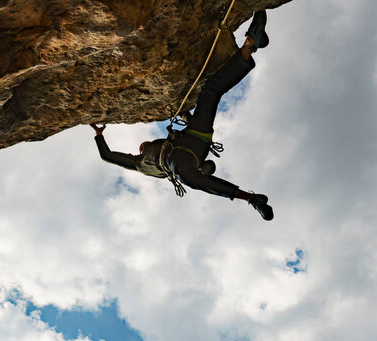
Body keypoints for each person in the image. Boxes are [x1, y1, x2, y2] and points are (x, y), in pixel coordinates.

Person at [90, 11, 273, 221]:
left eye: (143, 145)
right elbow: (108, 156)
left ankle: (250, 44)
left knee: (210, 91)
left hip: (193, 135)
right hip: (190, 154)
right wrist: (99, 135)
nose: (142, 146)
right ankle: (251, 199)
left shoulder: (166, 142)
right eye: (143, 147)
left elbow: (185, 124)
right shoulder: (140, 165)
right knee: (187, 177)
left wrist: (184, 115)